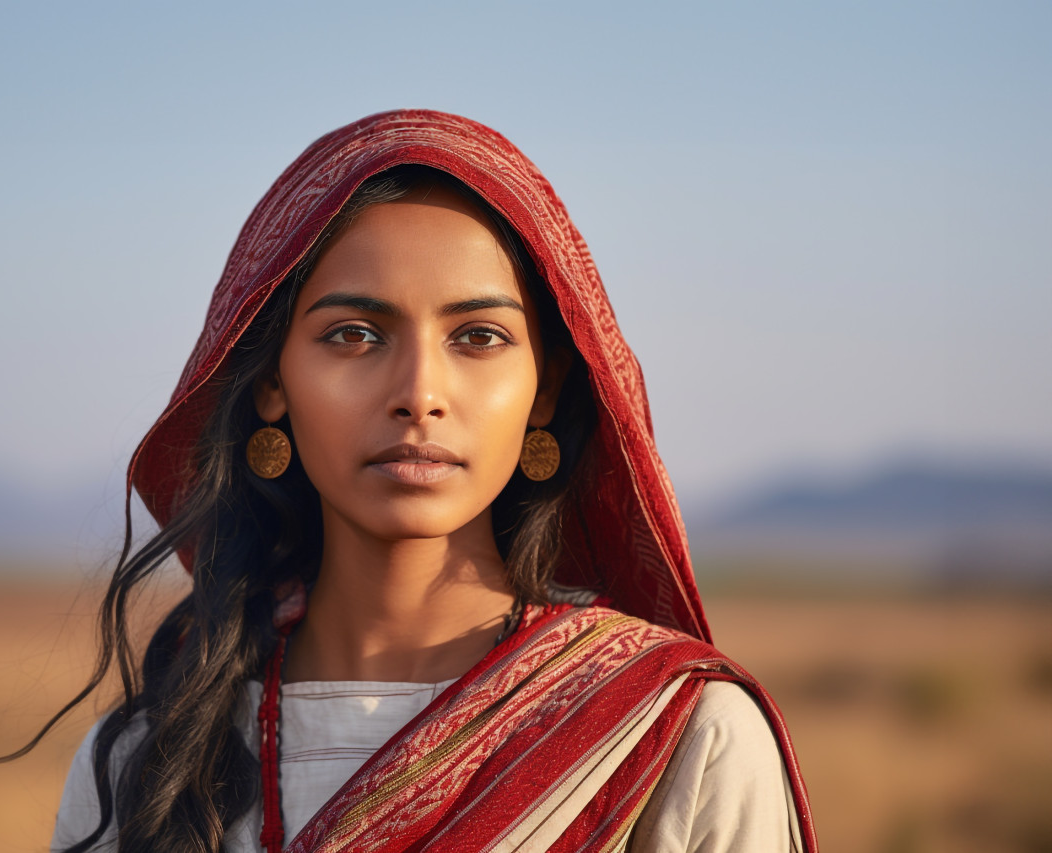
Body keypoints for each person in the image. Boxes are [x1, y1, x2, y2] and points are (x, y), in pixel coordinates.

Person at [44, 110, 817, 852]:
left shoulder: (681, 736)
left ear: (544, 388)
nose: (419, 391)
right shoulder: (150, 763)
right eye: (354, 335)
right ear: (271, 383)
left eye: (478, 337)